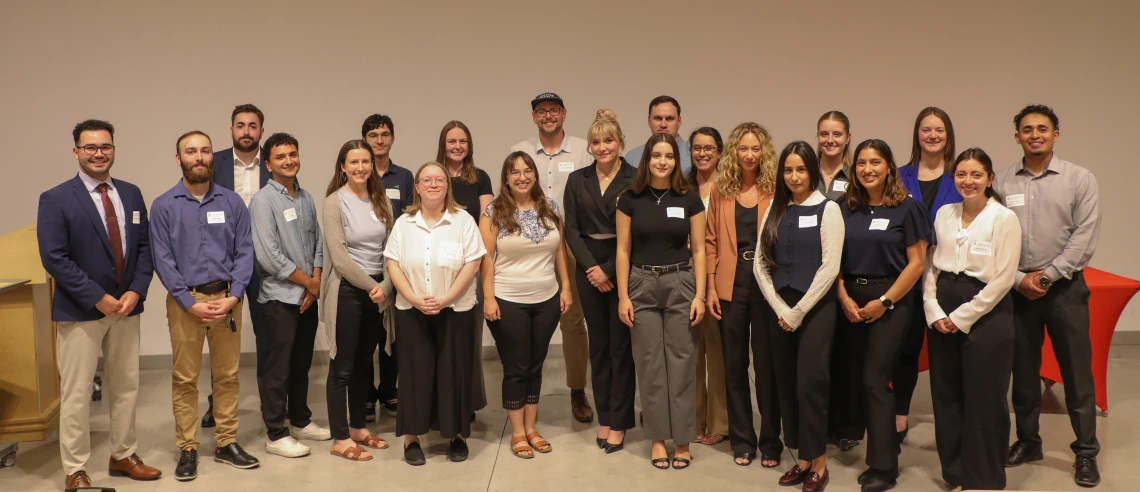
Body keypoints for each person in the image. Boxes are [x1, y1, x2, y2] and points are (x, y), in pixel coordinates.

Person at [37, 120, 162, 490]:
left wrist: (135, 291)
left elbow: (144, 249)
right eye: (90, 147)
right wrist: (97, 296)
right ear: (76, 151)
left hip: (126, 308)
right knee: (77, 394)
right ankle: (75, 469)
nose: (98, 153)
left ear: (113, 149)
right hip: (81, 311)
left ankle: (123, 454)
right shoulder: (56, 198)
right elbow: (54, 258)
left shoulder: (131, 193)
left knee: (126, 386)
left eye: (105, 146)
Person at [996, 104, 1103, 488]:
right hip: (1018, 291)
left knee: (1076, 374)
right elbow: (994, 235)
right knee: (1022, 374)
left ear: (1056, 134)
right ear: (1017, 137)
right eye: (1027, 129)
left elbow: (1084, 236)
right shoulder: (1003, 181)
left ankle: (1087, 452)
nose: (1035, 134)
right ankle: (1028, 441)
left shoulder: (1079, 179)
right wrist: (1018, 279)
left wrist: (1048, 276)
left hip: (1064, 290)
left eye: (1043, 128)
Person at [150, 131, 259, 481]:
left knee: (227, 376)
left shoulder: (232, 203)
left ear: (213, 157)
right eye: (191, 151)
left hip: (228, 299)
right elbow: (162, 259)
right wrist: (187, 302)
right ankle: (188, 447)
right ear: (178, 158)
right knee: (185, 379)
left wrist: (234, 295)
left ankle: (227, 443)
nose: (199, 156)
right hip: (187, 303)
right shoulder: (164, 205)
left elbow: (245, 251)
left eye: (205, 151)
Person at [834, 140, 931, 492]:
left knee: (877, 381)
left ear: (889, 166)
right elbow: (834, 259)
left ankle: (884, 464)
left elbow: (917, 264)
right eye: (861, 163)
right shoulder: (846, 207)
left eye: (875, 162)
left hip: (891, 300)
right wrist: (843, 295)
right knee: (859, 378)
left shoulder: (908, 209)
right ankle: (868, 445)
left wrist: (885, 302)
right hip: (850, 300)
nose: (868, 169)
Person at [924, 148, 1020, 492]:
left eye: (976, 175)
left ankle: (984, 479)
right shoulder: (944, 214)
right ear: (954, 179)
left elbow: (1004, 278)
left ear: (990, 179)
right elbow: (931, 266)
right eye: (961, 175)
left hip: (986, 312)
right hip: (943, 309)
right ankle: (956, 474)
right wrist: (934, 311)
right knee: (947, 397)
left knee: (985, 399)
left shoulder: (1003, 218)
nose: (968, 181)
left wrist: (962, 316)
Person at [755, 141, 843, 492]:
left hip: (815, 308)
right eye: (788, 170)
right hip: (780, 309)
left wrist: (799, 310)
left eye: (801, 169)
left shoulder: (828, 209)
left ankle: (819, 463)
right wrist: (781, 309)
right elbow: (761, 264)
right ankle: (802, 460)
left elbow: (830, 266)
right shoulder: (774, 209)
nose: (794, 176)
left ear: (812, 172)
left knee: (811, 385)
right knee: (787, 385)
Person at [616, 133, 707, 470]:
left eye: (669, 156)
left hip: (680, 282)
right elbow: (622, 250)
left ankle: (682, 441)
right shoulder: (630, 199)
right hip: (641, 283)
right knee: (650, 364)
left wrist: (700, 294)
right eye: (656, 155)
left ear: (676, 160)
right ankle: (656, 439)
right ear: (647, 159)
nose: (663, 161)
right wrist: (623, 295)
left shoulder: (689, 198)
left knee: (683, 363)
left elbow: (698, 248)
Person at [386, 161, 486, 465]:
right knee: (415, 376)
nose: (433, 184)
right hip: (412, 310)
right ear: (416, 187)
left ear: (447, 186)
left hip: (455, 309)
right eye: (426, 180)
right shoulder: (404, 223)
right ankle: (412, 439)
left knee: (453, 373)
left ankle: (457, 436)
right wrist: (415, 299)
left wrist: (446, 298)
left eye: (439, 179)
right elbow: (393, 264)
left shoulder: (463, 221)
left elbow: (473, 263)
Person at [480, 151, 574, 458]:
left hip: (546, 299)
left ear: (534, 174)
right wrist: (489, 297)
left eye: (527, 170)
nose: (522, 176)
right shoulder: (494, 212)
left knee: (536, 365)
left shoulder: (550, 207)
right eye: (515, 172)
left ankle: (532, 427)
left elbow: (559, 251)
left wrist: (566, 287)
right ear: (506, 178)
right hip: (508, 301)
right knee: (516, 366)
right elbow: (486, 261)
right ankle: (517, 432)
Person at [510, 92, 595, 423]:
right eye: (541, 111)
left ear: (564, 113)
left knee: (572, 320)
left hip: (571, 240)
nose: (548, 116)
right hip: (530, 243)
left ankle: (577, 390)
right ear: (534, 117)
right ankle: (525, 391)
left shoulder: (582, 151)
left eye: (554, 110)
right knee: (526, 317)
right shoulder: (521, 151)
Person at [704, 122, 781, 467]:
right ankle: (742, 440)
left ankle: (771, 442)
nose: (749, 155)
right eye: (743, 148)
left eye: (755, 148)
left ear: (764, 151)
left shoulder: (776, 190)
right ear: (734, 152)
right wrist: (709, 288)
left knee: (766, 368)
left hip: (766, 287)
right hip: (729, 286)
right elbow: (709, 242)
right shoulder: (722, 191)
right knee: (734, 367)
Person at [249, 133, 331, 458]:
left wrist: (316, 280)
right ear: (268, 164)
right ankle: (276, 433)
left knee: (301, 365)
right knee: (277, 368)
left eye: (293, 154)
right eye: (280, 156)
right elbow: (268, 255)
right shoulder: (262, 201)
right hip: (279, 299)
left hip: (306, 298)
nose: (288, 160)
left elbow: (318, 245)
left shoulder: (307, 198)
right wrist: (308, 284)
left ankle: (299, 420)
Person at [563, 109, 638, 452]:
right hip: (587, 268)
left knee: (621, 348)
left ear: (620, 142)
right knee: (599, 347)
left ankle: (620, 421)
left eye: (609, 140)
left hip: (622, 263)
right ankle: (605, 416)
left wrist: (608, 269)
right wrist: (592, 268)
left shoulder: (637, 178)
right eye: (596, 141)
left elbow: (639, 229)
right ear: (589, 146)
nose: (602, 146)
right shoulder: (577, 179)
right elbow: (572, 230)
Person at [319, 140, 395, 462]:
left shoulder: (382, 201)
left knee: (366, 362)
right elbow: (340, 257)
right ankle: (339, 437)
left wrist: (387, 285)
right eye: (354, 162)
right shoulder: (334, 203)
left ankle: (358, 429)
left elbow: (392, 250)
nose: (361, 167)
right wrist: (372, 286)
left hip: (378, 292)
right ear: (343, 167)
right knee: (342, 366)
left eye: (365, 161)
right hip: (349, 292)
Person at [202, 103, 271, 429]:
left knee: (266, 335)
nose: (246, 131)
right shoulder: (214, 163)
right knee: (220, 337)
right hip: (223, 263)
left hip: (265, 262)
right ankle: (217, 405)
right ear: (231, 130)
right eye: (240, 125)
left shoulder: (274, 163)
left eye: (253, 125)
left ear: (261, 130)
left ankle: (271, 405)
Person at [894, 107, 960, 442]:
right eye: (925, 129)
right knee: (905, 351)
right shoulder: (899, 176)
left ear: (948, 136)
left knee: (945, 355)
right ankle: (900, 415)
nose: (932, 136)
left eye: (939, 130)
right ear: (916, 135)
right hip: (906, 277)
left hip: (946, 280)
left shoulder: (960, 177)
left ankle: (951, 424)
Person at [437, 120, 493, 418]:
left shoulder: (480, 178)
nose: (457, 146)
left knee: (469, 339)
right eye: (451, 141)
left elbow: (487, 221)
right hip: (438, 266)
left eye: (462, 141)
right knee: (440, 339)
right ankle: (441, 400)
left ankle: (467, 403)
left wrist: (479, 264)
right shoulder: (434, 176)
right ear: (442, 145)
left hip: (472, 264)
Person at [361, 113, 412, 421]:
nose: (379, 140)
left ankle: (389, 392)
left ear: (393, 138)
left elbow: (408, 214)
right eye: (372, 135)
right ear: (364, 140)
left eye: (384, 134)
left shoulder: (403, 176)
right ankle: (366, 395)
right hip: (364, 268)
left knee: (391, 335)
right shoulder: (359, 172)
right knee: (366, 336)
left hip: (395, 265)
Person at [688, 126, 729, 446]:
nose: (702, 153)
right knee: (689, 353)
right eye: (696, 148)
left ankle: (719, 422)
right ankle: (693, 419)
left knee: (716, 352)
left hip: (716, 276)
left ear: (719, 151)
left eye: (709, 148)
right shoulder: (681, 186)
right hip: (682, 276)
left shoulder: (728, 187)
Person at [625, 95, 693, 175]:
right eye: (658, 118)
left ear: (679, 122)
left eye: (669, 118)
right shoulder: (632, 158)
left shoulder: (693, 155)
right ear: (649, 121)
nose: (663, 124)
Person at [815, 111, 854, 201]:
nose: (830, 140)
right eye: (824, 134)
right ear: (818, 136)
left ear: (847, 137)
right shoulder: (807, 172)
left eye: (837, 134)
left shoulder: (855, 175)